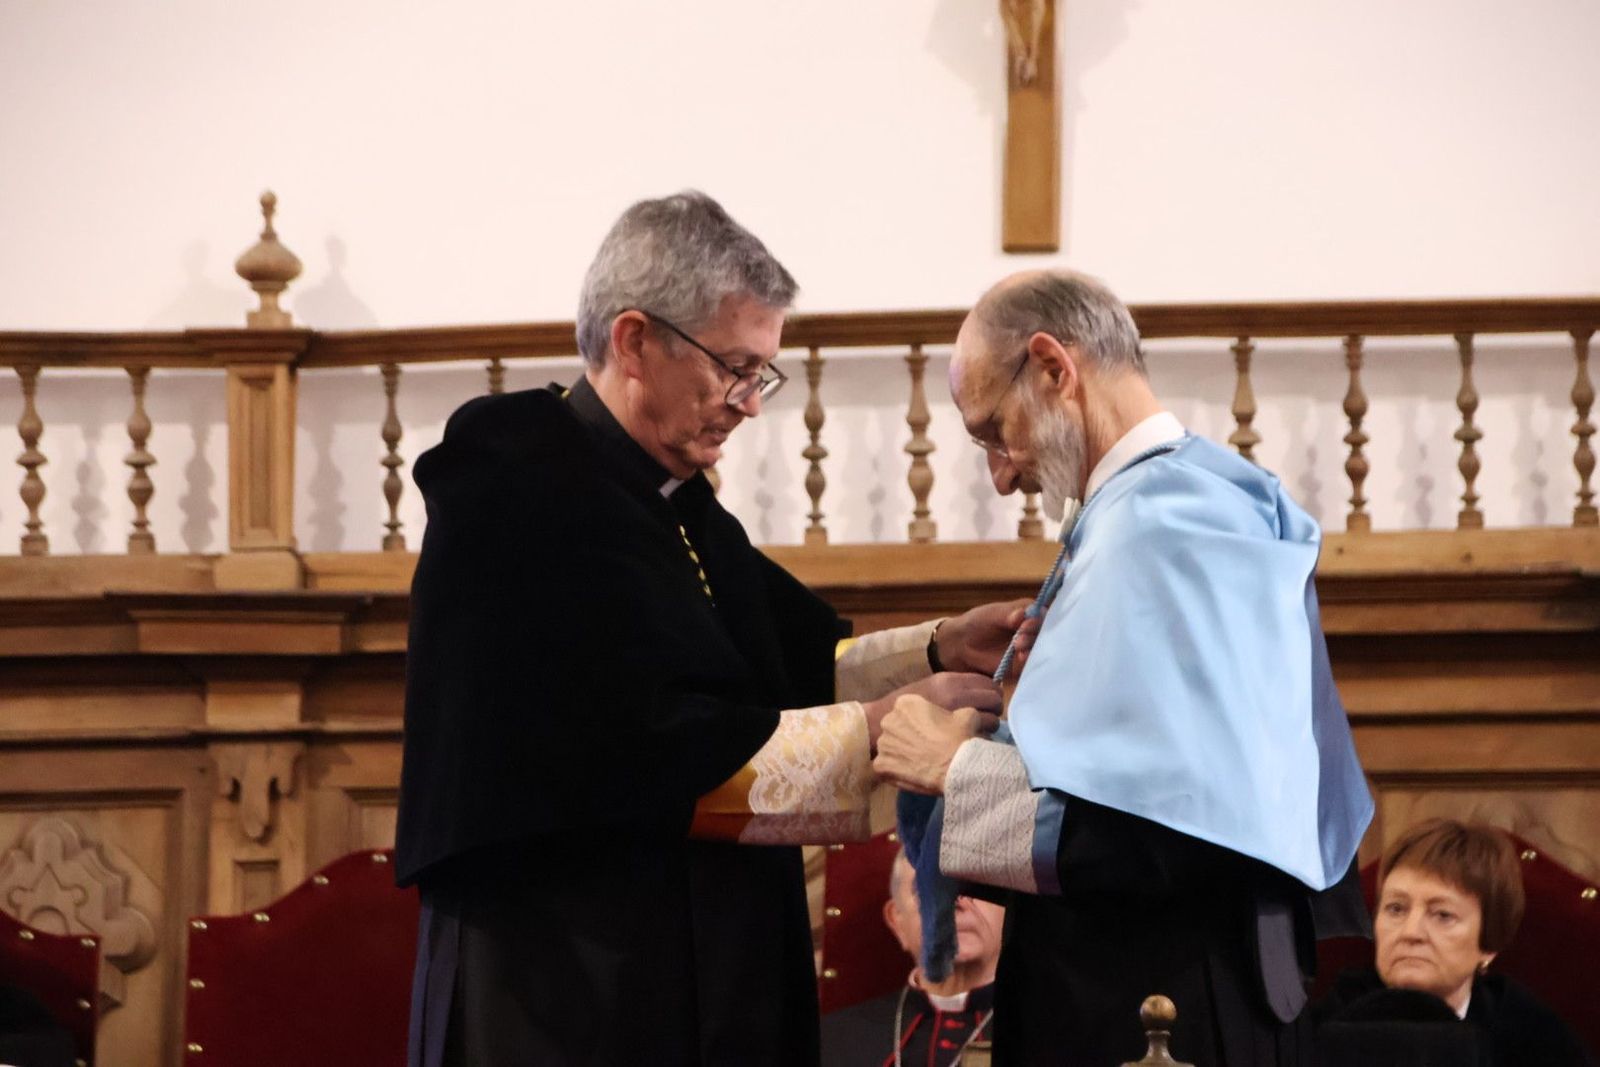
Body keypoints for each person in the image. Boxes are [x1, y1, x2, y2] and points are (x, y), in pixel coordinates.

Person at [394, 190, 1020, 1066]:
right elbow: (629, 743)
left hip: (691, 961)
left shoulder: (676, 504)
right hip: (563, 977)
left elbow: (786, 667)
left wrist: (941, 644)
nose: (748, 402)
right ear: (635, 340)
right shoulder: (512, 482)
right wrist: (882, 732)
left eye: (761, 372)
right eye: (734, 366)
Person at [872, 269, 1376, 1067]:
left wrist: (956, 765)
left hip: (1158, 1003)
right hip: (1164, 986)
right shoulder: (1188, 493)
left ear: (1051, 368)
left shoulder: (1160, 525)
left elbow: (1171, 829)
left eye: (993, 432)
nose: (1002, 474)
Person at [1314, 819, 1593, 1066]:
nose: (1411, 932)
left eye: (1443, 915)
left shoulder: (1532, 1040)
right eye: (1396, 909)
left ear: (1489, 943)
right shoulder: (1322, 1026)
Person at [822, 850, 1004, 1066]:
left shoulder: (1049, 1032)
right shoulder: (832, 1040)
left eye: (976, 886)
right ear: (897, 921)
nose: (956, 901)